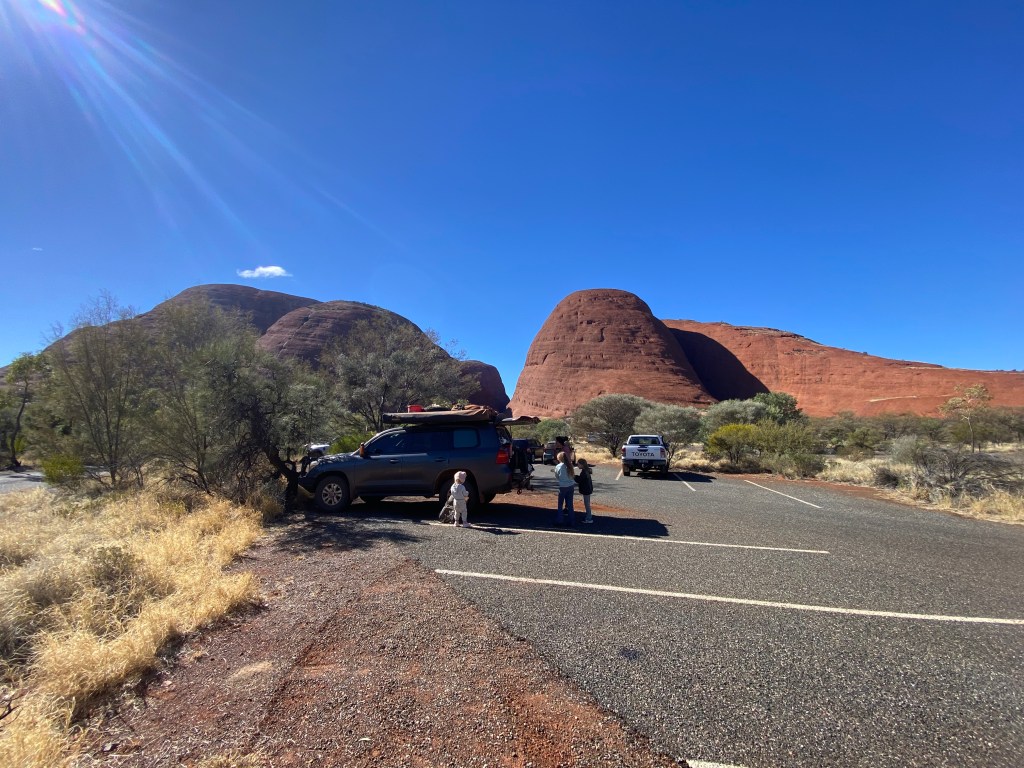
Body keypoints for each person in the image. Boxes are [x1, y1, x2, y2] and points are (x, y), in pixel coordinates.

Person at [553, 451, 576, 526]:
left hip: (563, 487)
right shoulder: (570, 465)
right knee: (570, 504)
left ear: (559, 458)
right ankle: (571, 521)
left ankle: (560, 520)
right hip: (571, 486)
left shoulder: (558, 466)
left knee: (560, 504)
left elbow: (557, 476)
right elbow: (573, 475)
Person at [575, 458, 594, 524]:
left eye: (578, 464)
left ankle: (589, 518)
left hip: (586, 490)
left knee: (587, 504)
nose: (577, 465)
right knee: (587, 504)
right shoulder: (586, 470)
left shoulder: (584, 472)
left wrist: (573, 476)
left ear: (582, 465)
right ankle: (588, 517)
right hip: (588, 489)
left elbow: (579, 480)